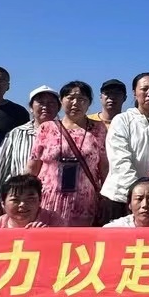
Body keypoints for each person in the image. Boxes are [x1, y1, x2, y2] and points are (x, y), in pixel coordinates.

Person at [26, 81, 107, 227]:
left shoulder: (99, 129)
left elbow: (104, 167)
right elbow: (33, 166)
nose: (75, 103)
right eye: (70, 98)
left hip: (84, 203)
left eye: (82, 99)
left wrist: (106, 197)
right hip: (48, 200)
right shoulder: (46, 128)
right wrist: (25, 195)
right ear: (61, 101)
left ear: (89, 103)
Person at [101, 72, 149, 222]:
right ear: (134, 93)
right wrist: (139, 193)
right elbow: (120, 160)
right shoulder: (121, 120)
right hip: (119, 198)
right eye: (144, 89)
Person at [0, 86, 59, 219]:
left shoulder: (67, 134)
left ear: (58, 108)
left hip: (54, 202)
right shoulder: (16, 133)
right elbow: (1, 167)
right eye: (40, 102)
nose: (45, 107)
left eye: (51, 103)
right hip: (20, 202)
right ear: (31, 107)